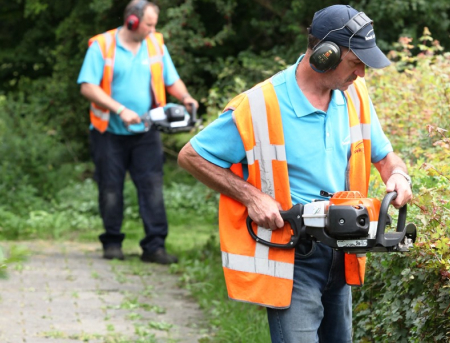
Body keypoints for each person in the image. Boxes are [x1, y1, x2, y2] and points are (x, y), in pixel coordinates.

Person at [177, 4, 412, 342]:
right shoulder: (259, 105)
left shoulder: (354, 95)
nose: (361, 74)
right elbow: (191, 156)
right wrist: (252, 196)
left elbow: (384, 155)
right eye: (355, 62)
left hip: (345, 250)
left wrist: (400, 176)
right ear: (324, 55)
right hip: (294, 252)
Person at [77, 0, 198, 265]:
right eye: (149, 24)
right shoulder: (103, 45)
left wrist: (186, 97)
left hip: (146, 132)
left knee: (152, 186)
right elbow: (87, 86)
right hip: (108, 131)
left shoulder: (154, 44)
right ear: (132, 21)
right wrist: (120, 110)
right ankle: (112, 242)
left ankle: (154, 247)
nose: (153, 30)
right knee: (110, 189)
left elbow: (171, 79)